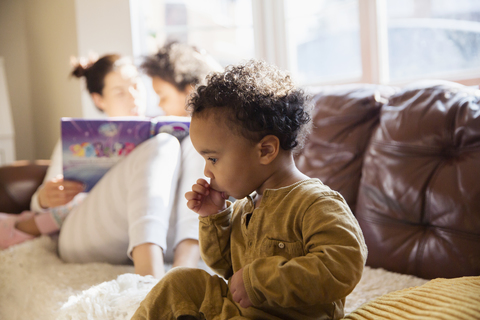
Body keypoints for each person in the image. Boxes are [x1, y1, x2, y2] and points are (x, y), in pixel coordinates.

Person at [132, 60, 368, 320]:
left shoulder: (316, 203)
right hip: (239, 311)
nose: (206, 172)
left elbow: (342, 266)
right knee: (182, 282)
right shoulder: (247, 205)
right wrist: (214, 217)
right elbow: (225, 268)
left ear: (265, 150)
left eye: (213, 159)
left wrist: (259, 280)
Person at [0, 47, 219, 278]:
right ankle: (151, 279)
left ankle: (183, 270)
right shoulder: (80, 138)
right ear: (99, 99)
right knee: (162, 145)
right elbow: (38, 206)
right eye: (119, 92)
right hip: (84, 235)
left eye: (135, 85)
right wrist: (44, 198)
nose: (133, 96)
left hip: (162, 229)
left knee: (196, 142)